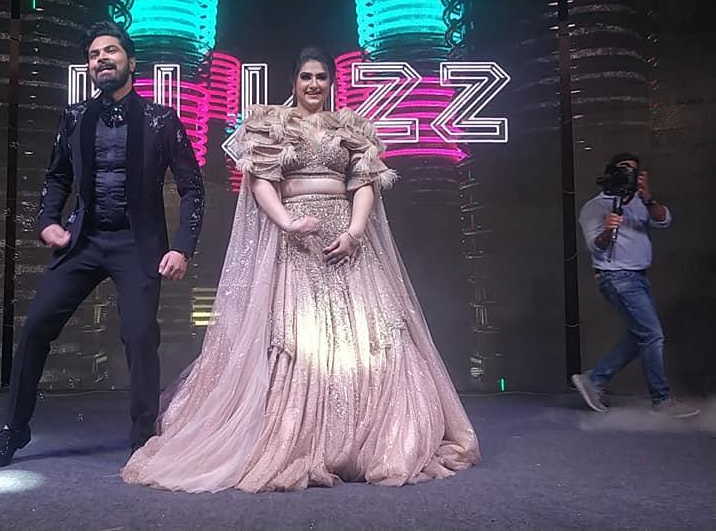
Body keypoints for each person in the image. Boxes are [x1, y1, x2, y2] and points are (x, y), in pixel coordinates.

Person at [122, 47, 479, 493]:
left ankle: (367, 438)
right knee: (293, 340)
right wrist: (288, 222)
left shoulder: (350, 127)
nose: (314, 84)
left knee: (372, 337)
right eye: (306, 77)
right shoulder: (272, 124)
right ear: (294, 81)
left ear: (331, 82)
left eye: (321, 77)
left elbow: (364, 184)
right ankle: (301, 436)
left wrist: (354, 232)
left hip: (345, 242)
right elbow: (262, 183)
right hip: (295, 245)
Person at [0, 21, 205, 470]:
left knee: (139, 336)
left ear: (131, 62)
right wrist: (47, 220)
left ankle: (143, 436)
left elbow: (192, 188)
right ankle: (13, 429)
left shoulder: (161, 119)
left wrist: (181, 247)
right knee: (36, 327)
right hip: (83, 240)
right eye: (94, 54)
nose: (101, 59)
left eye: (110, 51)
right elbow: (57, 176)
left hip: (136, 244)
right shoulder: (75, 116)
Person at [572, 154, 698, 418]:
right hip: (617, 277)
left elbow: (664, 219)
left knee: (640, 335)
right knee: (652, 334)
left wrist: (648, 198)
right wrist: (608, 229)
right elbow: (596, 247)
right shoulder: (594, 207)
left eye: (634, 170)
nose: (629, 174)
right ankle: (661, 400)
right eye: (624, 169)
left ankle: (594, 380)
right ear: (610, 173)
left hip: (639, 276)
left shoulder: (640, 203)